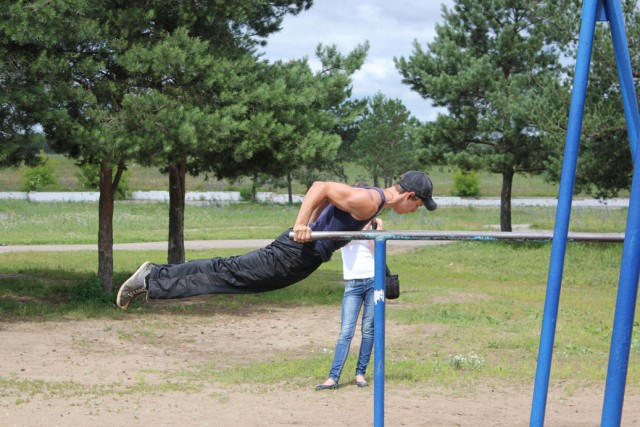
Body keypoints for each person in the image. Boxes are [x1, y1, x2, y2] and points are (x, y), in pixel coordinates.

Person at [116, 171, 437, 309]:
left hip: (303, 255)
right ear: (409, 195)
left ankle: (154, 278)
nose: (413, 211)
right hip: (297, 253)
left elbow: (331, 200)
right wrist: (302, 224)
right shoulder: (370, 200)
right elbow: (320, 187)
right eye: (418, 205)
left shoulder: (373, 204)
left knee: (228, 271)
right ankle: (152, 279)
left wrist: (320, 222)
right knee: (228, 274)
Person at [315, 216, 381, 391]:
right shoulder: (345, 224)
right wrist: (358, 227)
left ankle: (360, 373)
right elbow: (340, 244)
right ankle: (333, 377)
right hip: (352, 283)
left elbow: (377, 252)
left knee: (368, 330)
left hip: (373, 280)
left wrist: (372, 230)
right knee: (346, 332)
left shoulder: (374, 224)